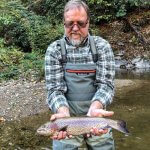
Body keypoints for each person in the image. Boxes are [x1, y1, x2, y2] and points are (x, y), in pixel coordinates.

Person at [45, 0, 115, 149]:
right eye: (70, 23)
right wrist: (63, 113)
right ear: (64, 23)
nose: (75, 28)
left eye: (81, 23)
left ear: (88, 23)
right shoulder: (54, 50)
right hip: (67, 119)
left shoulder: (102, 47)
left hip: (96, 118)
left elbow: (106, 85)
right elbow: (54, 90)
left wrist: (95, 108)